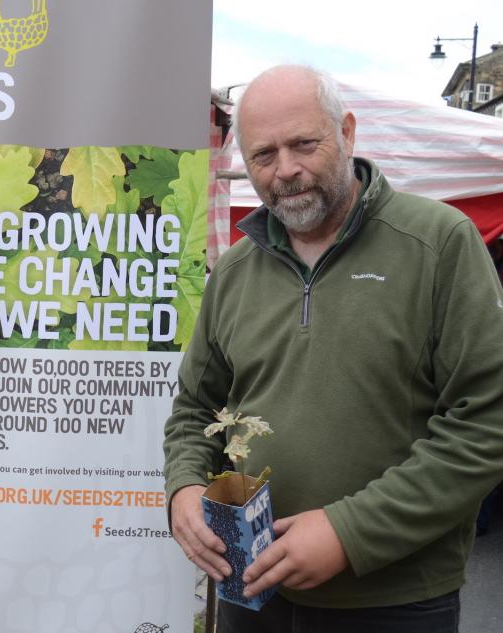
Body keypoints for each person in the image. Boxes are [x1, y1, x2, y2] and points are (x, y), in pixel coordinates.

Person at [163, 65, 503, 633]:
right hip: (253, 588)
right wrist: (184, 488)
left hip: (394, 598)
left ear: (346, 132)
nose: (286, 170)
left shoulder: (439, 244)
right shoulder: (235, 272)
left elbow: (487, 421)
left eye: (304, 144)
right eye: (264, 154)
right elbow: (197, 409)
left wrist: (351, 531)